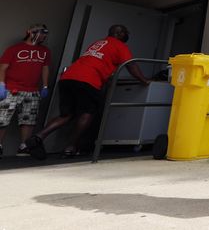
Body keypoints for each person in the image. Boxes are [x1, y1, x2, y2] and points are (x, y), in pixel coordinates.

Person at [23, 24, 150, 159]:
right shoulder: (120, 45)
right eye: (126, 32)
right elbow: (131, 65)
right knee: (87, 113)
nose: (127, 34)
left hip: (68, 78)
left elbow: (99, 63)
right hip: (88, 81)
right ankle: (70, 147)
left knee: (66, 115)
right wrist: (144, 81)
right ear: (119, 34)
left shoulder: (98, 43)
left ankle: (38, 137)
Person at [0, 23, 51, 157]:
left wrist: (45, 86)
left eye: (45, 33)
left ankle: (24, 147)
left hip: (32, 90)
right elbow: (3, 67)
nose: (43, 35)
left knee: (28, 120)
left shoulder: (45, 51)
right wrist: (1, 85)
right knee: (2, 119)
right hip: (11, 88)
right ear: (30, 32)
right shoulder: (15, 49)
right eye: (40, 32)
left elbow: (45, 69)